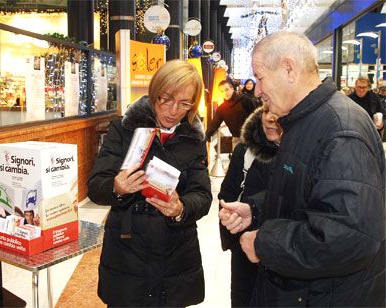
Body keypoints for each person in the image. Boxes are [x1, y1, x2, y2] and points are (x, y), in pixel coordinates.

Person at [220, 31, 385, 307]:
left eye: (260, 78)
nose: (257, 90)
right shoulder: (304, 120)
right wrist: (256, 210)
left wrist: (265, 243)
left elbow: (349, 237)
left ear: (289, 69)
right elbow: (306, 191)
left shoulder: (341, 132)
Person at [87, 60, 212, 307]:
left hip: (176, 251)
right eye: (167, 99)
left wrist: (181, 208)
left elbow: (202, 195)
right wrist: (117, 187)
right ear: (155, 93)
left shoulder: (193, 139)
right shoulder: (124, 129)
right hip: (127, 249)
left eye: (184, 103)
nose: (174, 110)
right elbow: (96, 185)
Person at [218, 104, 282, 307]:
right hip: (244, 248)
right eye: (266, 111)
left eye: (278, 114)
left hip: (283, 247)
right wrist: (230, 219)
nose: (270, 119)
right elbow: (227, 192)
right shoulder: (245, 150)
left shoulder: (303, 153)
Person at [205, 80, 259, 150]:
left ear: (232, 89)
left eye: (227, 89)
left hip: (251, 138)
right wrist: (206, 136)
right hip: (236, 138)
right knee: (237, 159)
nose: (225, 93)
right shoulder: (221, 108)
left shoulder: (244, 100)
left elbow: (255, 115)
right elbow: (214, 124)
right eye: (222, 91)